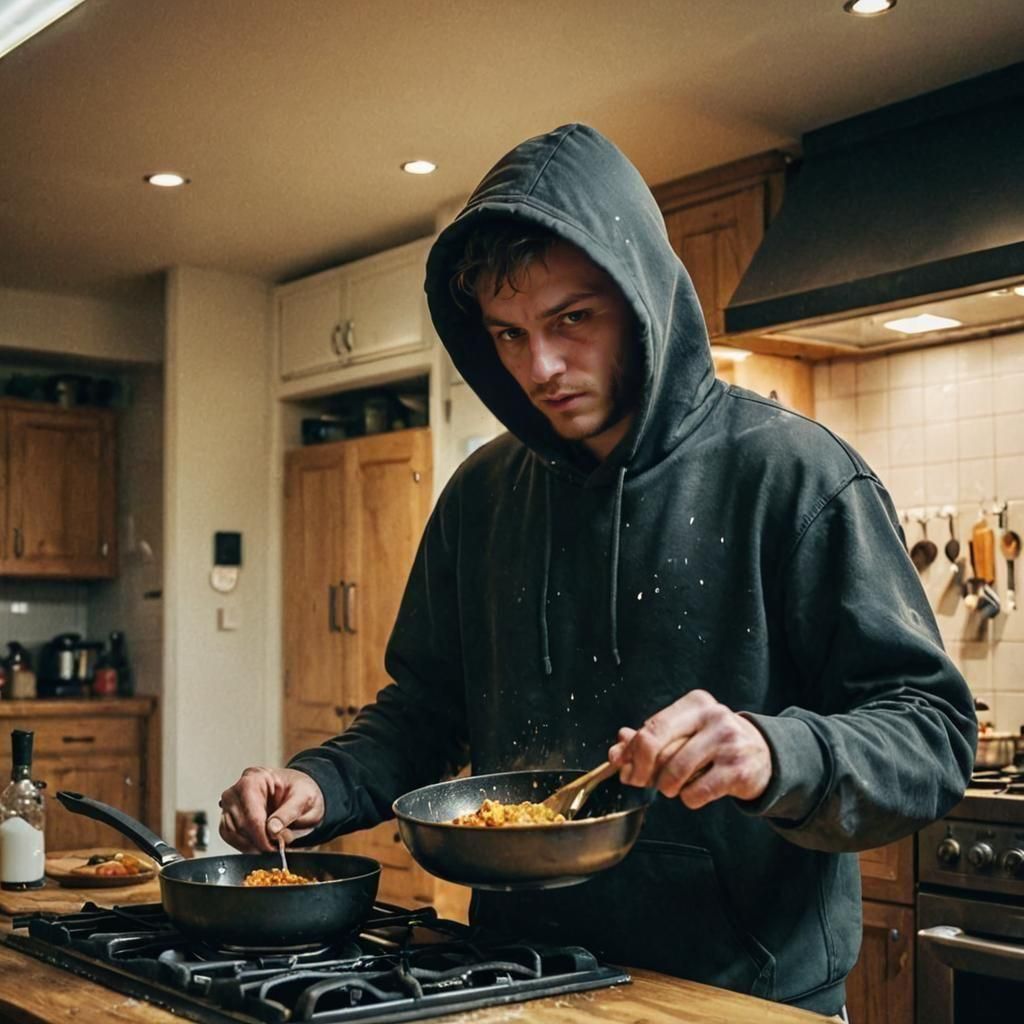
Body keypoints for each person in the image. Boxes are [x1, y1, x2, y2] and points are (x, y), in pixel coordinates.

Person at [221, 123, 976, 1016]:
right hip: (518, 981)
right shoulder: (481, 494)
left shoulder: (795, 475)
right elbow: (423, 711)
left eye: (571, 319)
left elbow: (930, 733)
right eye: (507, 333)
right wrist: (323, 784)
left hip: (741, 995)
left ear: (641, 295)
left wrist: (777, 750)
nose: (539, 366)